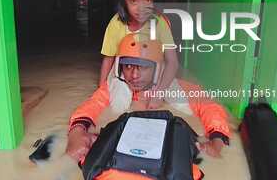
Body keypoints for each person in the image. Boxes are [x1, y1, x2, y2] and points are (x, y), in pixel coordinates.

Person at [66, 34, 231, 180]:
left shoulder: (176, 88)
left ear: (158, 69)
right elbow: (92, 105)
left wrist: (217, 138)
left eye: (143, 66)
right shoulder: (113, 89)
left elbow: (210, 106)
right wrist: (77, 131)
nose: (134, 75)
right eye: (128, 66)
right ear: (119, 67)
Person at [99, 0, 178, 109]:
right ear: (124, 2)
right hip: (125, 72)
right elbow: (109, 58)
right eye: (134, 1)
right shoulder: (116, 23)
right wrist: (101, 89)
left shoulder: (159, 23)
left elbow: (172, 62)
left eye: (147, 1)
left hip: (154, 71)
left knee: (179, 100)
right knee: (117, 102)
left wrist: (159, 93)